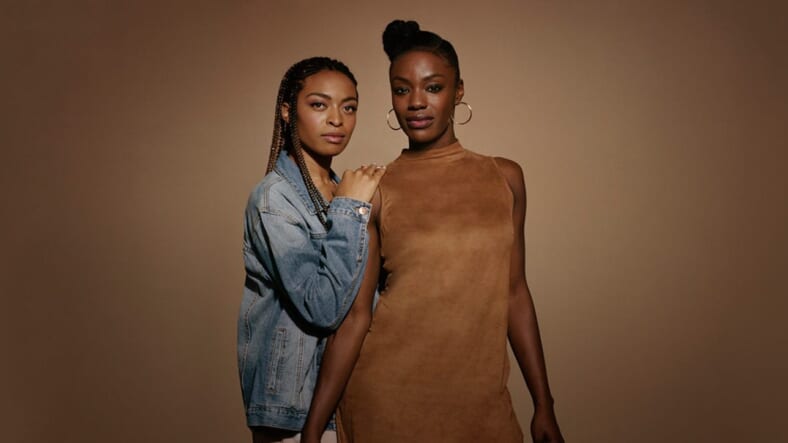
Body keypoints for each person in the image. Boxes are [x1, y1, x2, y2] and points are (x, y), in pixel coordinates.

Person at [301, 21, 564, 443]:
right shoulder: (377, 188)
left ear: (458, 91)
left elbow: (515, 293)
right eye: (401, 90)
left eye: (433, 87)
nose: (416, 103)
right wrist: (313, 429)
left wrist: (544, 404)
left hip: (480, 404)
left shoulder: (505, 177)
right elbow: (356, 316)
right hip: (387, 401)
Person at [237, 56, 385, 443]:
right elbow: (321, 308)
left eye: (349, 107)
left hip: (352, 404)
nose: (337, 119)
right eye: (319, 104)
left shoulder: (342, 190)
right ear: (288, 112)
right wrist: (351, 210)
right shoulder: (274, 199)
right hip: (295, 413)